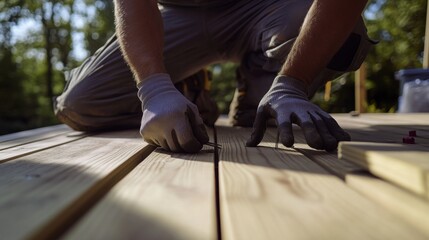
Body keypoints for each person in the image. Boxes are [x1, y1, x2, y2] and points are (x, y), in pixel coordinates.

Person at [54, 0, 374, 153]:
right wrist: (153, 87)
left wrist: (293, 83)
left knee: (345, 38)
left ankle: (265, 84)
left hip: (267, 10)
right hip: (176, 15)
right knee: (81, 105)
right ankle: (188, 89)